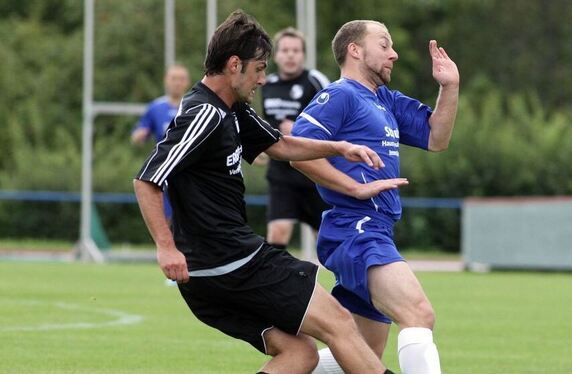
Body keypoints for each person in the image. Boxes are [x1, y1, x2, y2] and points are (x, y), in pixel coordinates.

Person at [133, 10, 394, 374]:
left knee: (300, 355)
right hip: (231, 261)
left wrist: (338, 148)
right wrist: (165, 247)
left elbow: (282, 146)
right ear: (234, 65)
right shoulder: (203, 113)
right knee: (338, 322)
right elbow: (147, 179)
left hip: (211, 274)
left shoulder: (233, 109)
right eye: (258, 68)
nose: (262, 78)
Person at [291, 20, 460, 374]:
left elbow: (436, 138)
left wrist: (450, 87)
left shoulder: (384, 99)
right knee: (418, 313)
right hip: (356, 226)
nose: (394, 53)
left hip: (375, 228)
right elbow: (297, 150)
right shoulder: (340, 95)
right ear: (355, 50)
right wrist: (353, 187)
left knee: (362, 352)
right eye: (384, 44)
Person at [260, 27, 331, 251]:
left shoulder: (316, 81)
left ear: (303, 55)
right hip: (281, 172)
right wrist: (260, 146)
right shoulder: (266, 85)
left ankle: (343, 284)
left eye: (296, 50)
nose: (291, 55)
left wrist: (300, 129)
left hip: (314, 171)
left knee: (326, 238)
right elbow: (263, 123)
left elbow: (334, 120)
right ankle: (274, 284)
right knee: (277, 231)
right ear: (276, 55)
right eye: (285, 50)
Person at [131, 63, 190, 220]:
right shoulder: (156, 107)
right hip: (164, 170)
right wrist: (139, 135)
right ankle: (167, 244)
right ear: (166, 81)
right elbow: (138, 132)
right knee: (165, 218)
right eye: (173, 78)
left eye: (181, 79)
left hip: (189, 170)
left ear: (187, 82)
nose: (177, 82)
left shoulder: (193, 106)